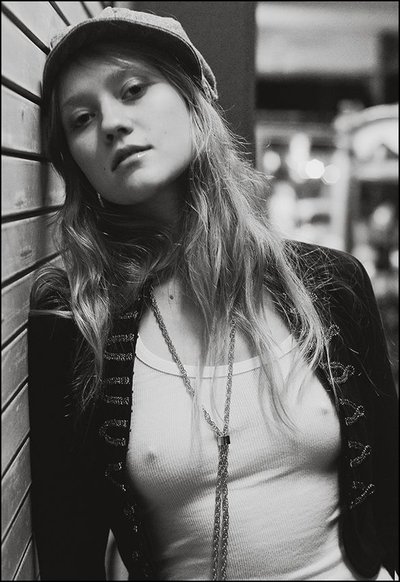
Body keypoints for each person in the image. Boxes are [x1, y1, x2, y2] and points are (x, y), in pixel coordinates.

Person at [27, 6, 398, 582]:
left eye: (133, 89)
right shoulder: (76, 320)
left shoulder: (332, 284)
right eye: (81, 118)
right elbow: (66, 548)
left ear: (193, 100)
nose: (112, 123)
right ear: (74, 162)